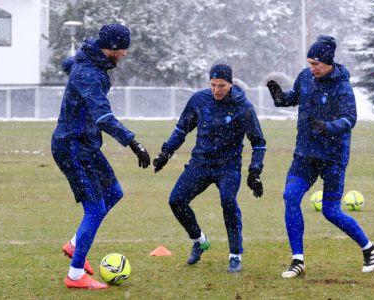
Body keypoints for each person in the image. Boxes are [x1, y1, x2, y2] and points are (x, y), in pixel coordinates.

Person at [266, 35, 374, 278]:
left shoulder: (342, 86)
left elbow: (350, 118)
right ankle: (298, 259)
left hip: (333, 157)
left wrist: (329, 126)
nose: (311, 68)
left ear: (327, 63)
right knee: (290, 197)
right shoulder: (305, 77)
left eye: (315, 64)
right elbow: (294, 96)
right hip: (305, 153)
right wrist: (280, 98)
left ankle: (368, 247)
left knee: (331, 211)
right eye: (309, 63)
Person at [51, 24, 151, 289]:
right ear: (113, 49)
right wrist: (134, 143)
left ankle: (74, 245)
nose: (126, 54)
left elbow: (67, 63)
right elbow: (104, 117)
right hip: (72, 146)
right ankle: (75, 275)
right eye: (124, 49)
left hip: (87, 145)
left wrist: (68, 65)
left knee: (114, 193)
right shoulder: (90, 75)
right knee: (94, 208)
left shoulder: (89, 61)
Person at [153, 64, 266, 273]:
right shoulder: (199, 100)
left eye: (221, 85)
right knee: (176, 200)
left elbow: (258, 142)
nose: (216, 90)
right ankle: (199, 240)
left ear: (231, 84)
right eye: (213, 85)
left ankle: (235, 255)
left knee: (228, 201)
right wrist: (165, 153)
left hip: (228, 167)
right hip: (200, 164)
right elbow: (181, 129)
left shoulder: (243, 107)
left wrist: (255, 171)